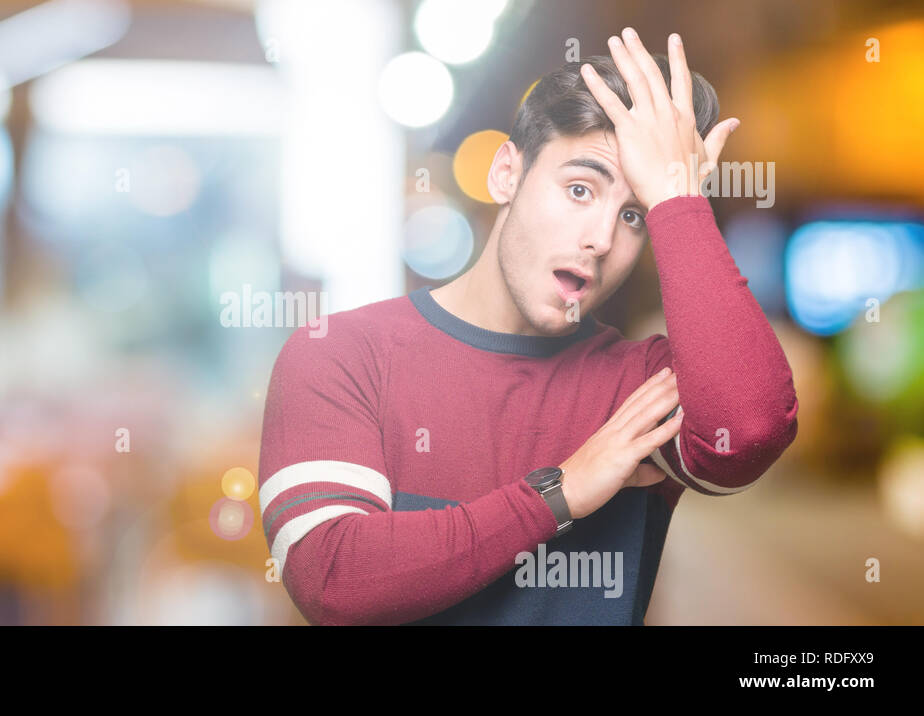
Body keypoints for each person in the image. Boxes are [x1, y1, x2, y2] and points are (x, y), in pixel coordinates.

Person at [257, 28, 798, 625]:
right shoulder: (342, 355)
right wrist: (559, 492)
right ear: (506, 175)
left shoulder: (641, 386)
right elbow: (335, 580)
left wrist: (678, 202)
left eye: (633, 214)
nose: (600, 239)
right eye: (578, 189)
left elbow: (748, 429)